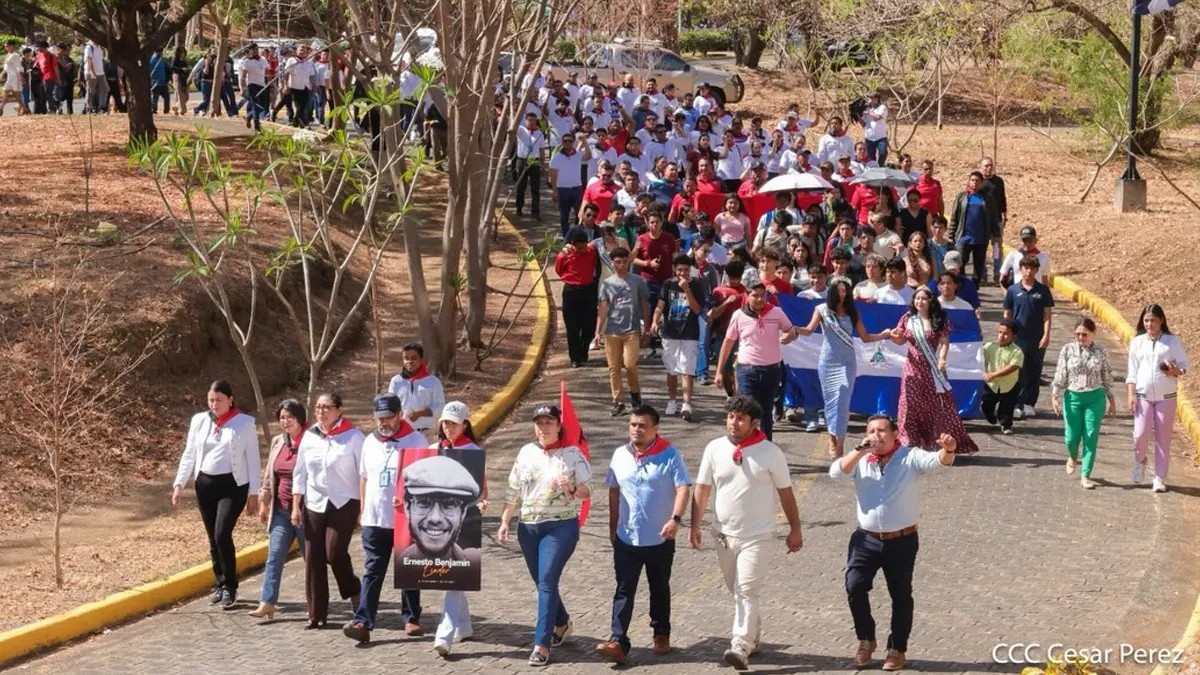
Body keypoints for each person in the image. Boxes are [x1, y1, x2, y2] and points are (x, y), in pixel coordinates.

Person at [829, 416, 957, 672]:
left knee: (900, 595)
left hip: (902, 540)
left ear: (895, 434)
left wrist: (948, 450)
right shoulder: (861, 459)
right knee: (854, 586)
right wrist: (859, 449)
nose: (876, 435)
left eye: (882, 430)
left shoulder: (910, 457)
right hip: (865, 539)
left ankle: (897, 648)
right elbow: (835, 473)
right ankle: (866, 640)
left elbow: (938, 461)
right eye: (871, 431)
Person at [689, 396, 803, 670]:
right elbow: (702, 488)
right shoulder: (714, 449)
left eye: (740, 418)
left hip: (758, 536)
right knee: (736, 589)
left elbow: (786, 494)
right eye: (730, 417)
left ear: (754, 423)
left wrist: (795, 529)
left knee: (746, 589)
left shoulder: (770, 453)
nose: (733, 423)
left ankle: (740, 643)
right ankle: (753, 633)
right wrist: (694, 525)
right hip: (723, 535)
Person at [595, 406, 691, 665]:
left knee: (659, 586)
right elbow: (614, 492)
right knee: (624, 589)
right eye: (633, 425)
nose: (637, 430)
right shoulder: (619, 455)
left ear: (655, 429)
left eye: (642, 425)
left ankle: (661, 632)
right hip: (627, 538)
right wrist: (613, 526)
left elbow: (683, 488)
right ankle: (618, 640)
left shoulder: (670, 454)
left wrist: (676, 519)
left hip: (660, 538)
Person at [498, 405, 593, 667]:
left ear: (559, 425)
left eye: (549, 422)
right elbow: (513, 490)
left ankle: (542, 643)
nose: (543, 427)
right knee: (542, 581)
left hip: (560, 526)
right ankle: (561, 623)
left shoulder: (572, 454)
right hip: (528, 527)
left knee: (548, 578)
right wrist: (505, 521)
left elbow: (588, 490)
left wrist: (573, 488)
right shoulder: (526, 452)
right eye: (539, 423)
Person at [340, 393, 429, 643]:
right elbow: (364, 477)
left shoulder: (416, 440)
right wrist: (362, 508)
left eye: (388, 417)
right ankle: (363, 621)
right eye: (379, 418)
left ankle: (411, 617)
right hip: (375, 518)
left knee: (409, 568)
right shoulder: (370, 441)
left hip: (406, 518)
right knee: (372, 570)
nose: (383, 423)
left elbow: (425, 481)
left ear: (400, 414)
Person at [171, 380, 261, 609]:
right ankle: (219, 583)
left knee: (222, 533)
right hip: (206, 485)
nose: (214, 404)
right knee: (213, 537)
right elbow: (189, 453)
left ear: (230, 399)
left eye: (219, 400)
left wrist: (254, 494)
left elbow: (253, 460)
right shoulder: (199, 421)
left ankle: (231, 586)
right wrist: (179, 483)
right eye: (211, 400)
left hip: (233, 486)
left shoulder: (245, 423)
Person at [794, 278, 893, 458]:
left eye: (845, 290)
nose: (842, 293)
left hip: (847, 363)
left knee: (843, 402)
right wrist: (793, 329)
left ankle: (839, 442)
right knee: (831, 402)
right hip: (828, 362)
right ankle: (834, 439)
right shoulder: (822, 310)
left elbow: (865, 337)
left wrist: (884, 335)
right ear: (833, 291)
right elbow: (809, 330)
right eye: (839, 290)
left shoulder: (852, 312)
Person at [292, 392, 364, 629]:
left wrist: (364, 506)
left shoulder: (353, 437)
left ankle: (354, 589)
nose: (321, 411)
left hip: (345, 502)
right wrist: (296, 506)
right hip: (314, 502)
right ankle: (316, 613)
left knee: (334, 552)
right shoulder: (309, 437)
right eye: (318, 407)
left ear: (339, 410)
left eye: (327, 407)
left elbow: (364, 474)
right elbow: (300, 473)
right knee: (313, 557)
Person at [888, 287, 979, 454]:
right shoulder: (908, 318)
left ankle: (935, 442)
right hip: (912, 368)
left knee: (934, 406)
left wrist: (942, 359)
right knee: (909, 403)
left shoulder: (939, 319)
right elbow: (900, 341)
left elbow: (944, 342)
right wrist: (894, 336)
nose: (919, 302)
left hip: (931, 369)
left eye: (923, 299)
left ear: (931, 301)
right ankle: (909, 441)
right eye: (917, 298)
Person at [430, 401, 486, 656]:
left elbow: (483, 490)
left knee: (453, 576)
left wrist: (482, 502)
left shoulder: (474, 452)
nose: (449, 427)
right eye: (446, 422)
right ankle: (464, 625)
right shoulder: (432, 450)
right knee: (452, 577)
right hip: (436, 524)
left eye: (454, 423)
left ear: (465, 424)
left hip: (463, 523)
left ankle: (445, 634)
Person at [714, 280, 802, 440]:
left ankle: (765, 446)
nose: (760, 299)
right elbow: (727, 343)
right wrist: (719, 371)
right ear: (747, 296)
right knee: (745, 410)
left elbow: (792, 331)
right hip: (747, 370)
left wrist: (789, 336)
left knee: (766, 411)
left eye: (763, 296)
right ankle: (744, 445)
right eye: (755, 296)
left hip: (772, 370)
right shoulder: (739, 316)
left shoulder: (776, 312)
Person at [249, 399, 308, 620]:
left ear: (300, 418)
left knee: (311, 559)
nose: (285, 422)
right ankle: (267, 602)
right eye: (282, 418)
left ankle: (317, 601)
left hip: (306, 512)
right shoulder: (277, 442)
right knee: (274, 556)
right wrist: (264, 504)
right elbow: (268, 478)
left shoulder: (311, 442)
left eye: (289, 417)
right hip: (281, 511)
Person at [1126, 304, 1191, 493]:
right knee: (1140, 434)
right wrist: (1130, 394)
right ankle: (1140, 460)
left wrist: (1174, 371)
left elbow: (1185, 365)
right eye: (1146, 320)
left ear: (1161, 320)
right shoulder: (1137, 342)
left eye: (1153, 320)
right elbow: (1132, 371)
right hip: (1142, 396)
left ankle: (1159, 477)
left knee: (1163, 438)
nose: (1149, 324)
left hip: (1167, 397)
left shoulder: (1171, 342)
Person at [1051, 318, 1116, 489]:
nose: (1081, 337)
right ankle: (1073, 456)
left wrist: (1111, 398)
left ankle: (1085, 474)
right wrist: (1055, 395)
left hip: (1095, 398)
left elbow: (1106, 374)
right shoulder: (1067, 349)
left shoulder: (1101, 350)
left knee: (1091, 436)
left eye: (1085, 334)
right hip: (1073, 397)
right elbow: (1060, 373)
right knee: (1071, 438)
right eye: (1078, 334)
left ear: (1093, 333)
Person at [596, 247, 651, 416]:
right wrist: (598, 331)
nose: (621, 265)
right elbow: (603, 309)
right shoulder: (607, 284)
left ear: (629, 261)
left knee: (630, 364)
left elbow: (643, 304)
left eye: (624, 262)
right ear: (612, 263)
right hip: (612, 331)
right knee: (614, 368)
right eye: (617, 262)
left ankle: (635, 395)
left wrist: (647, 328)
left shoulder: (638, 281)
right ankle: (618, 401)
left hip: (631, 330)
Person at [653, 254, 705, 421]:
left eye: (686, 270)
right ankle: (672, 400)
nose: (683, 273)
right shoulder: (668, 285)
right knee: (671, 369)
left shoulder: (696, 285)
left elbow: (697, 310)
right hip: (670, 332)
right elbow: (660, 305)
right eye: (679, 270)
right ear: (674, 269)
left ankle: (687, 403)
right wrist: (654, 321)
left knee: (687, 369)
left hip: (689, 333)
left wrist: (687, 290)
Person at [1003, 256, 1054, 419]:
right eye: (1025, 268)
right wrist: (1006, 334)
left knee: (1034, 371)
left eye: (1032, 268)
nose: (1028, 271)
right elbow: (1007, 314)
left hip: (1037, 337)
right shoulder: (1012, 290)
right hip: (1018, 338)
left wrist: (1046, 334)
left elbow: (1047, 315)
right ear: (1020, 269)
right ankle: (1017, 404)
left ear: (1037, 270)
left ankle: (1029, 403)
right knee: (1018, 371)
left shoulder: (1043, 290)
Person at [556, 229, 601, 368]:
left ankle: (584, 351)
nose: (581, 250)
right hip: (571, 292)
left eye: (583, 247)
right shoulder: (564, 255)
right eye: (578, 247)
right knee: (572, 327)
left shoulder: (592, 252)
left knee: (589, 325)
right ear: (572, 245)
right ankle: (574, 357)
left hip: (588, 291)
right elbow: (559, 270)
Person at [948, 171, 999, 287]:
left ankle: (974, 289)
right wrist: (951, 234)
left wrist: (995, 235)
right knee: (959, 264)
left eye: (977, 181)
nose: (974, 183)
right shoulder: (961, 197)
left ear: (981, 183)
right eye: (972, 180)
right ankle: (961, 286)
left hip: (980, 239)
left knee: (978, 267)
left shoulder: (987, 199)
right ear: (969, 181)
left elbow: (994, 217)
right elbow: (954, 217)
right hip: (963, 238)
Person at [387, 342, 445, 433]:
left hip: (427, 434)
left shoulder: (433, 382)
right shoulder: (396, 381)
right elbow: (391, 406)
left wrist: (420, 413)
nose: (409, 362)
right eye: (406, 358)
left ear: (421, 359)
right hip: (403, 434)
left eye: (414, 358)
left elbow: (441, 408)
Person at [982, 320, 1025, 435]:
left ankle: (1006, 426)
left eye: (1006, 333)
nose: (1002, 336)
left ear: (1014, 336)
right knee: (986, 404)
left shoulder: (1017, 351)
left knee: (1007, 407)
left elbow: (1012, 367)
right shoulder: (989, 346)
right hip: (991, 384)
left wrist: (993, 374)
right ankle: (990, 415)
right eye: (1000, 332)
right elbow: (978, 356)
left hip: (1009, 384)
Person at [548, 132, 591, 237]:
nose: (568, 143)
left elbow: (588, 156)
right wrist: (554, 191)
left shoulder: (578, 155)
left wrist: (585, 142)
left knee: (579, 214)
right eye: (565, 141)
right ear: (562, 143)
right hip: (563, 189)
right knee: (564, 216)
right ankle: (566, 237)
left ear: (573, 142)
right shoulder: (557, 157)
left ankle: (578, 235)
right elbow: (552, 175)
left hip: (577, 189)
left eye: (570, 141)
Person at [979, 157, 1008, 284]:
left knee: (997, 248)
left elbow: (1003, 199)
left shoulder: (999, 181)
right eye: (986, 166)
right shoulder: (978, 181)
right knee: (981, 248)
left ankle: (997, 274)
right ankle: (982, 274)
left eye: (990, 165)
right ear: (981, 166)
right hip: (981, 221)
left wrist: (1004, 216)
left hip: (996, 221)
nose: (988, 168)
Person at [861, 91, 889, 165]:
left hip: (881, 137)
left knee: (883, 153)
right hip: (869, 138)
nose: (869, 99)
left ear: (876, 99)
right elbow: (863, 124)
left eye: (870, 98)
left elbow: (877, 117)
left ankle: (880, 166)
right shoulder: (866, 109)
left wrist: (868, 112)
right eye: (869, 98)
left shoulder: (882, 107)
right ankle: (874, 171)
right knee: (871, 158)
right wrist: (857, 115)